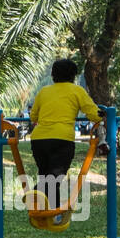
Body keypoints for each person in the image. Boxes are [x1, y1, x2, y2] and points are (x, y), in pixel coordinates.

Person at [28, 59, 101, 208]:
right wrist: (104, 116)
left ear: (53, 74)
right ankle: (36, 192)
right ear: (73, 75)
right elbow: (93, 114)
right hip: (62, 139)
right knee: (54, 177)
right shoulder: (76, 90)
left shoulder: (44, 91)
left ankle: (51, 213)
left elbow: (33, 116)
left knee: (46, 175)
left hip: (39, 139)